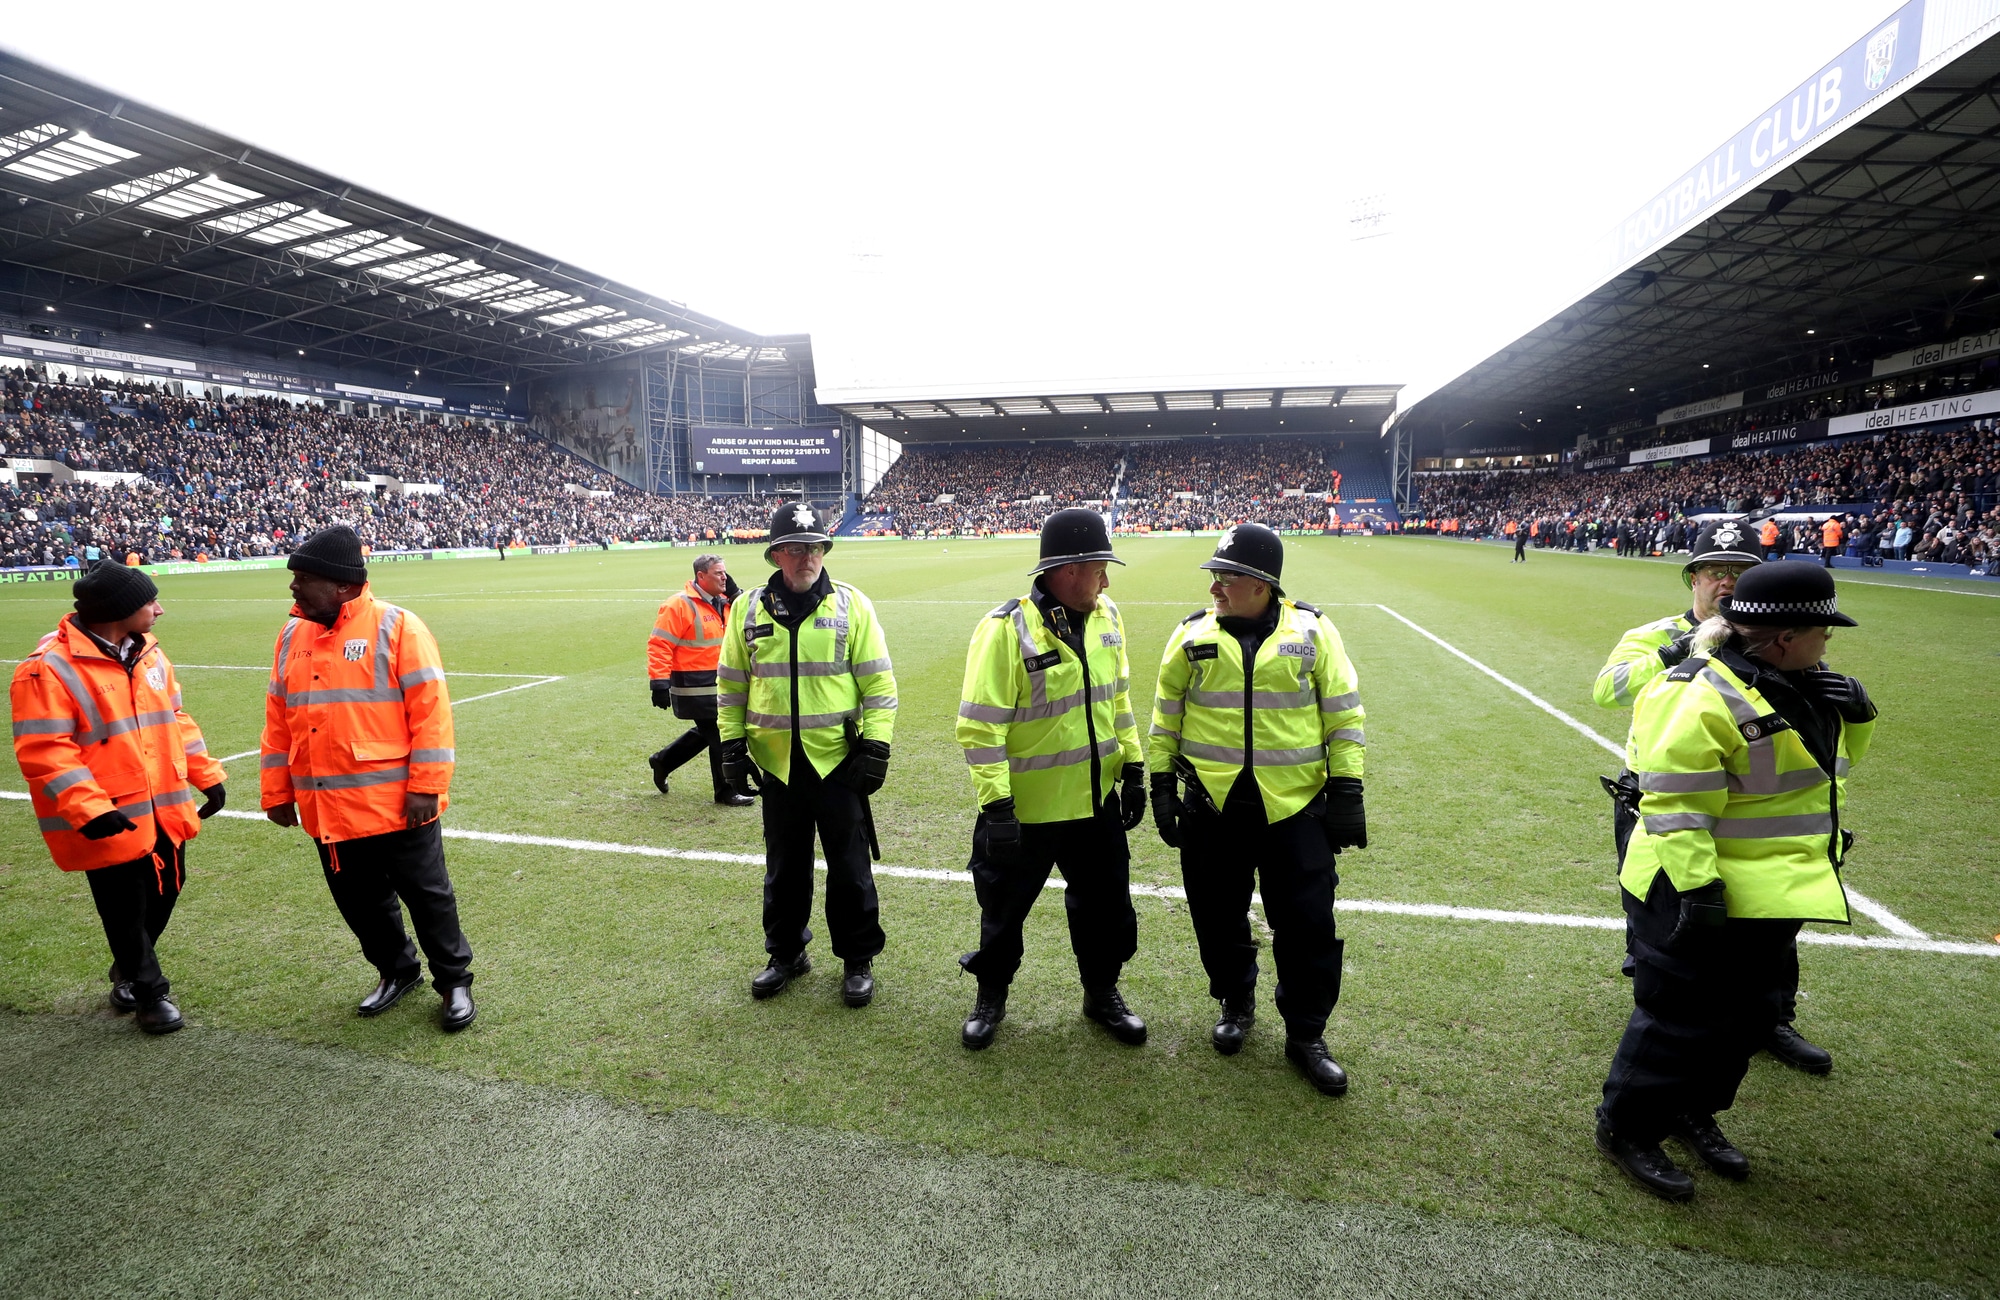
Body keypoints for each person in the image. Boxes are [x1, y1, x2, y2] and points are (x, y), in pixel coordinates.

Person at [1595, 562, 1875, 1200]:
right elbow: (1676, 806)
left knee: (1749, 1016)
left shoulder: (1803, 684)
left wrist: (1859, 715)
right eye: (1824, 631)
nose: (1829, 641)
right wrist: (1699, 893)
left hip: (1772, 889)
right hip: (1694, 886)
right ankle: (1627, 1127)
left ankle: (1690, 1110)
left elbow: (1826, 773)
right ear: (1785, 637)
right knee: (1678, 1018)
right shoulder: (1697, 691)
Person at [1148, 524, 1366, 1094]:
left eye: (1227, 576)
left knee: (1308, 923)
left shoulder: (1313, 631)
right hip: (1212, 808)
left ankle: (1306, 1033)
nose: (1215, 586)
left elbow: (1343, 716)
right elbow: (1165, 718)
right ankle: (1235, 999)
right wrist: (1162, 786)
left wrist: (1348, 790)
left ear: (1262, 584)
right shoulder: (1190, 635)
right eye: (1214, 575)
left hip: (1295, 809)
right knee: (1216, 915)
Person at [259, 526, 477, 1032]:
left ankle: (454, 981)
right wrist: (277, 791)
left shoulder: (397, 626)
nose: (293, 586)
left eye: (303, 578)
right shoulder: (291, 634)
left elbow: (431, 715)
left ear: (341, 584)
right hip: (325, 806)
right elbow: (278, 718)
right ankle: (397, 970)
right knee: (359, 903)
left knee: (428, 896)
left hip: (397, 804)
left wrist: (427, 786)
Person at [954, 508, 1147, 1051]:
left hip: (1095, 805)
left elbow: (1117, 700)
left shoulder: (1108, 616)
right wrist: (997, 807)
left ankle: (1101, 992)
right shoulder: (1005, 629)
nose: (1106, 582)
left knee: (1106, 910)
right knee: (1003, 911)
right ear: (1067, 570)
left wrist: (1133, 768)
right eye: (1099, 570)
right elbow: (980, 727)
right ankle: (991, 995)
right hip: (1026, 812)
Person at [10, 561, 226, 1035]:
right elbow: (45, 748)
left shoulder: (149, 654)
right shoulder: (47, 668)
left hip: (164, 805)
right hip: (107, 813)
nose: (159, 610)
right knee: (124, 906)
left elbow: (175, 718)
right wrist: (88, 807)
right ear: (120, 610)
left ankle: (128, 963)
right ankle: (150, 992)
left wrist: (206, 775)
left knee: (167, 890)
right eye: (150, 602)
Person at [716, 503, 896, 1008]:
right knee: (784, 868)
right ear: (776, 555)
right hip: (777, 765)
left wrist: (877, 745)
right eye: (795, 549)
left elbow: (879, 685)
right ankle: (786, 953)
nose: (806, 558)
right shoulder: (747, 609)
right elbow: (731, 686)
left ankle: (857, 959)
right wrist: (731, 746)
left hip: (838, 761)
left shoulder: (852, 605)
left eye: (814, 548)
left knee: (850, 868)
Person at [646, 553, 753, 806]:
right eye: (718, 573)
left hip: (721, 683)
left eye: (725, 572)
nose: (724, 577)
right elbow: (660, 644)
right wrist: (659, 682)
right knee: (720, 733)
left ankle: (663, 761)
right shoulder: (678, 605)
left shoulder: (725, 602)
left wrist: (736, 595)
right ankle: (726, 790)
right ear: (701, 576)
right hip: (694, 687)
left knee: (708, 732)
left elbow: (752, 616)